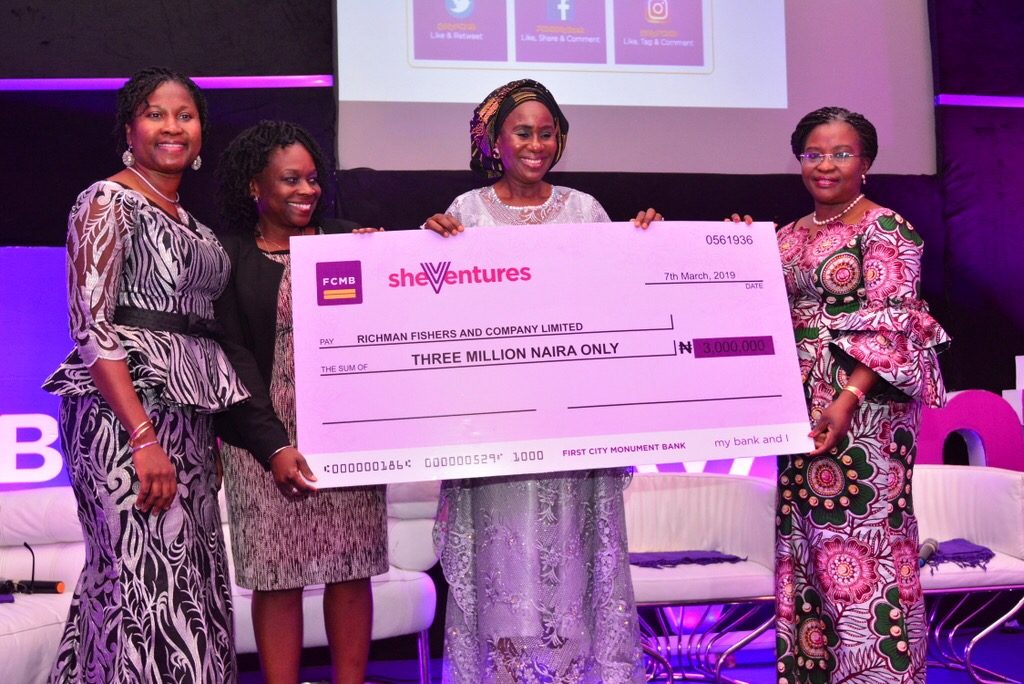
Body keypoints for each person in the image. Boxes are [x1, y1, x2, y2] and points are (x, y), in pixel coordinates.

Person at [424, 79, 660, 684]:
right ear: (494, 141)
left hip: (573, 429)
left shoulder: (586, 210)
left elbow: (621, 299)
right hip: (497, 429)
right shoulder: (465, 213)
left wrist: (648, 244)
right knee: (503, 562)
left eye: (547, 133)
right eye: (523, 132)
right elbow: (439, 314)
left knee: (579, 561)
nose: (536, 144)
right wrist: (428, 253)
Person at [42, 66, 248, 682]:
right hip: (123, 422)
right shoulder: (107, 202)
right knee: (138, 583)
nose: (172, 126)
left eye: (185, 115)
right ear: (129, 129)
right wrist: (142, 436)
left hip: (185, 423)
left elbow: (196, 336)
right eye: (156, 114)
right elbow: (91, 325)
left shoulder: (193, 224)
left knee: (192, 585)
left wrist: (205, 438)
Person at [770, 107, 949, 683]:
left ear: (865, 162)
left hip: (865, 408)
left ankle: (879, 672)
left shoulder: (885, 229)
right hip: (799, 405)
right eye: (814, 153)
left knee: (866, 547)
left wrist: (846, 398)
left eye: (841, 154)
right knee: (808, 544)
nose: (826, 165)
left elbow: (895, 325)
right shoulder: (786, 235)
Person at [213, 120, 388, 684]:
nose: (307, 190)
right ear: (255, 186)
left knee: (351, 568)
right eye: (291, 179)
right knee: (277, 577)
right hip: (260, 438)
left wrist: (397, 253)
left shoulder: (349, 240)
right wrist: (274, 446)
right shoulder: (228, 258)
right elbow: (232, 358)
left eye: (313, 179)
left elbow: (395, 325)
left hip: (344, 432)